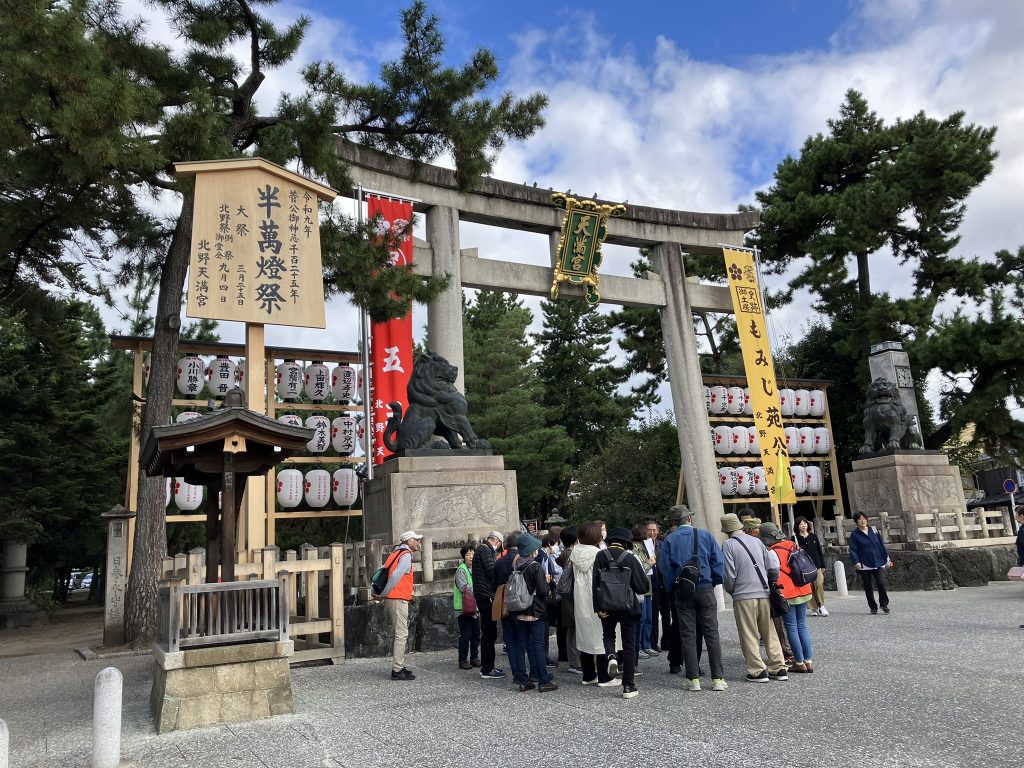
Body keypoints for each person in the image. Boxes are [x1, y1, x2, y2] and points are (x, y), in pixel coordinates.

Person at [658, 505, 727, 692]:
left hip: (682, 591)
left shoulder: (669, 540)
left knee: (687, 634)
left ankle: (693, 679)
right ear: (689, 519)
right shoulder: (705, 535)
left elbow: (665, 568)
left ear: (673, 522)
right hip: (705, 587)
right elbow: (717, 561)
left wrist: (673, 587)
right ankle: (718, 679)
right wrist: (714, 580)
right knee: (712, 633)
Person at [720, 513, 788, 683]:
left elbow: (729, 574)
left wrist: (732, 590)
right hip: (763, 593)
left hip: (743, 595)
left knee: (749, 633)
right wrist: (769, 581)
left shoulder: (728, 544)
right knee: (769, 630)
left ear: (727, 530)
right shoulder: (756, 541)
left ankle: (758, 671)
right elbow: (772, 565)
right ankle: (778, 667)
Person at [593, 527, 650, 699]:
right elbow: (643, 587)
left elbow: (595, 584)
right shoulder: (630, 558)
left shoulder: (600, 556)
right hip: (628, 606)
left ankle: (611, 656)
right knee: (629, 645)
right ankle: (628, 686)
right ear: (627, 543)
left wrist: (598, 608)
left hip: (606, 605)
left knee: (608, 635)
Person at [507, 533, 558, 692]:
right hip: (536, 611)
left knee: (521, 645)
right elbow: (542, 591)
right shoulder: (534, 566)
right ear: (531, 550)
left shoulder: (516, 565)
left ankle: (523, 679)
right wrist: (547, 582)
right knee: (537, 646)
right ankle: (543, 680)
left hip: (520, 609)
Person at [762, 522, 814, 673]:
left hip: (787, 593)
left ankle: (798, 662)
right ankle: (808, 661)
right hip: (803, 588)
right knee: (802, 625)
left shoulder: (772, 552)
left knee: (791, 626)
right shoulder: (793, 544)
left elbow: (772, 574)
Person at [374, 530, 423, 681]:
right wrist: (385, 593)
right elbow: (396, 576)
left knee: (400, 632)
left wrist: (381, 592)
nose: (418, 542)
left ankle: (400, 666)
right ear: (409, 541)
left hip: (394, 597)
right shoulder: (406, 555)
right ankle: (397, 669)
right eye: (416, 540)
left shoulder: (395, 553)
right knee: (401, 634)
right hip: (398, 597)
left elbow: (381, 572)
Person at [570, 521, 614, 688]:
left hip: (580, 600)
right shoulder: (599, 554)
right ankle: (605, 677)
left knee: (585, 638)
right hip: (596, 599)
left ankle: (589, 675)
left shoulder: (575, 553)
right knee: (601, 637)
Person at [746, 519, 793, 663]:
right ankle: (797, 653)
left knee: (778, 623)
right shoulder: (790, 545)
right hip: (794, 590)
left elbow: (772, 570)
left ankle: (786, 652)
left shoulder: (770, 550)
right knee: (795, 624)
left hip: (775, 589)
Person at [472, 530, 507, 679]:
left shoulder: (481, 550)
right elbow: (492, 571)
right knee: (489, 632)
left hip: (482, 594)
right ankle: (487, 668)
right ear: (497, 542)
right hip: (486, 595)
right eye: (499, 546)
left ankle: (487, 667)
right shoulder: (485, 551)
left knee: (488, 632)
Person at [848, 512, 892, 615]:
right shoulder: (854, 534)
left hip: (878, 561)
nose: (862, 521)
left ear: (867, 520)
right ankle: (873, 607)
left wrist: (887, 557)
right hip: (864, 563)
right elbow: (853, 549)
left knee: (881, 583)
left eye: (864, 518)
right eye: (859, 519)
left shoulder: (874, 530)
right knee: (868, 586)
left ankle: (884, 604)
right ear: (856, 522)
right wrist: (856, 561)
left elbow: (881, 545)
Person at [556, 526, 582, 674]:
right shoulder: (571, 555)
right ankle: (575, 662)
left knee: (571, 629)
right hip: (571, 596)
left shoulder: (563, 554)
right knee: (574, 629)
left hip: (565, 597)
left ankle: (574, 661)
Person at [794, 516, 829, 616]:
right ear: (797, 526)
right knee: (809, 587)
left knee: (819, 584)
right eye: (801, 524)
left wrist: (823, 565)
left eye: (805, 523)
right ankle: (813, 608)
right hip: (804, 568)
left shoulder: (813, 536)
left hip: (816, 565)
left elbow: (819, 551)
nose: (803, 525)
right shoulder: (795, 538)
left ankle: (821, 605)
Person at [454, 545, 480, 670]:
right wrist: (480, 590)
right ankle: (463, 660)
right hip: (463, 608)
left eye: (472, 554)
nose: (471, 557)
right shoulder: (461, 570)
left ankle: (474, 657)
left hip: (475, 607)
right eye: (468, 554)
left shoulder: (475, 569)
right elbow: (464, 587)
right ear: (464, 557)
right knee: (465, 635)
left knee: (476, 633)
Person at [644, 520, 668, 655]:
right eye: (649, 530)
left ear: (658, 531)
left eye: (654, 530)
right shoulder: (644, 545)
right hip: (651, 584)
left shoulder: (662, 545)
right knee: (653, 615)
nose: (652, 532)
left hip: (664, 583)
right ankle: (652, 642)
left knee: (666, 613)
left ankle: (666, 641)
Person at [631, 524, 655, 661]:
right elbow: (640, 568)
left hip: (648, 586)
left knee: (648, 619)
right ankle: (638, 647)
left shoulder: (646, 546)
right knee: (641, 619)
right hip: (641, 587)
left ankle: (646, 644)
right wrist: (650, 563)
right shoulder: (634, 548)